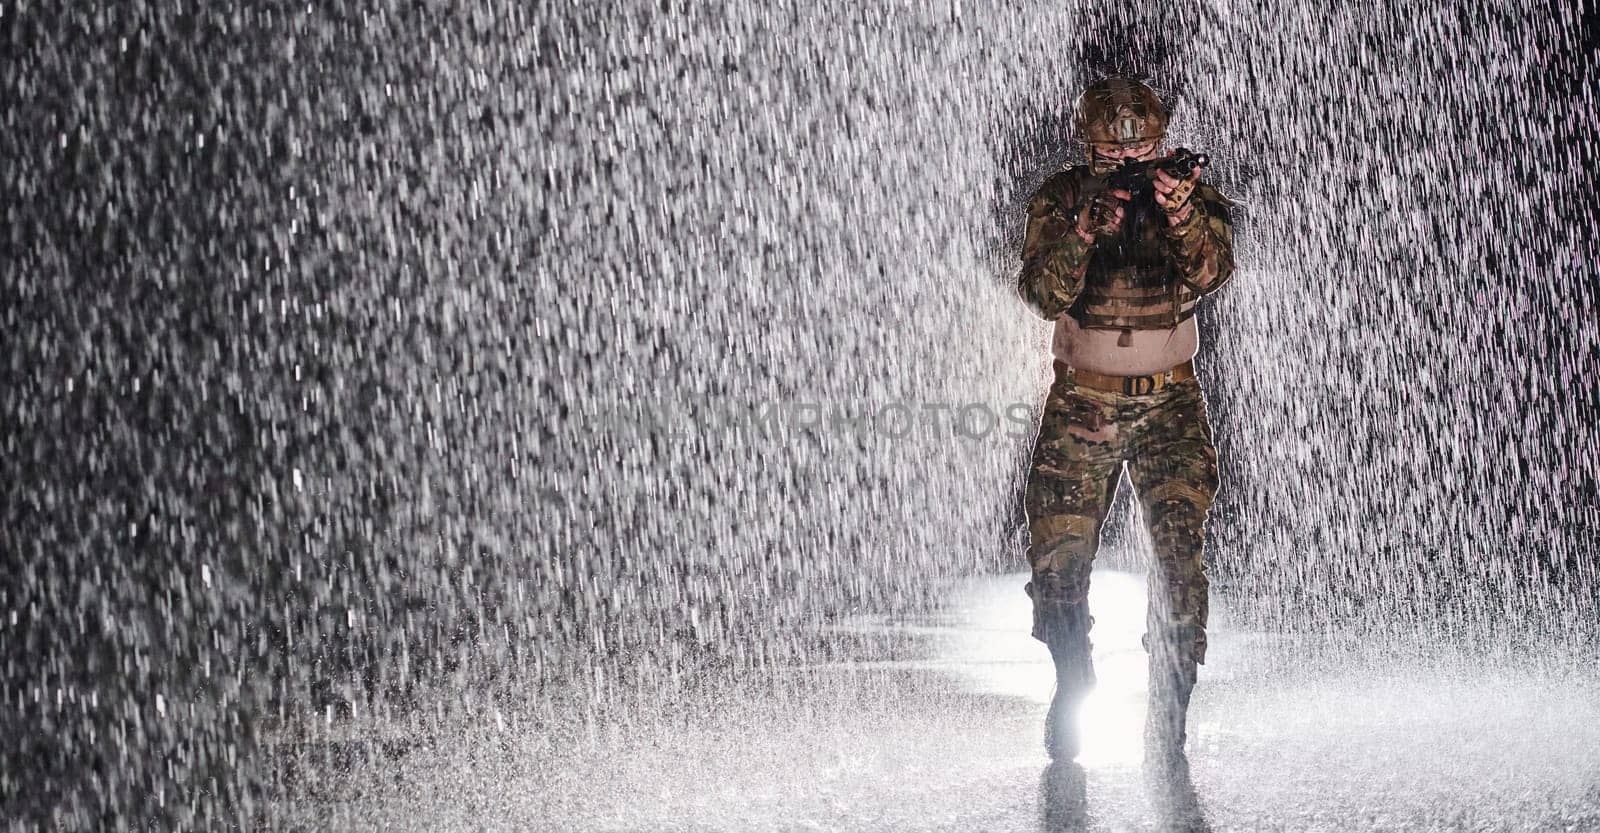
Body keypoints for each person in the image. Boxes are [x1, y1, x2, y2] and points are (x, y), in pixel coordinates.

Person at [1015, 76, 1236, 770]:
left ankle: (1170, 706)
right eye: (1113, 156)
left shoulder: (1191, 198)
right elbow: (1041, 293)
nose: (1130, 167)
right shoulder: (1062, 197)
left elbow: (1212, 273)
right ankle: (1071, 678)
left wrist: (1182, 214)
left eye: (1141, 154)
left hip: (1169, 402)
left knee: (1178, 560)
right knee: (1057, 563)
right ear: (1089, 147)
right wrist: (1083, 231)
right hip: (1084, 398)